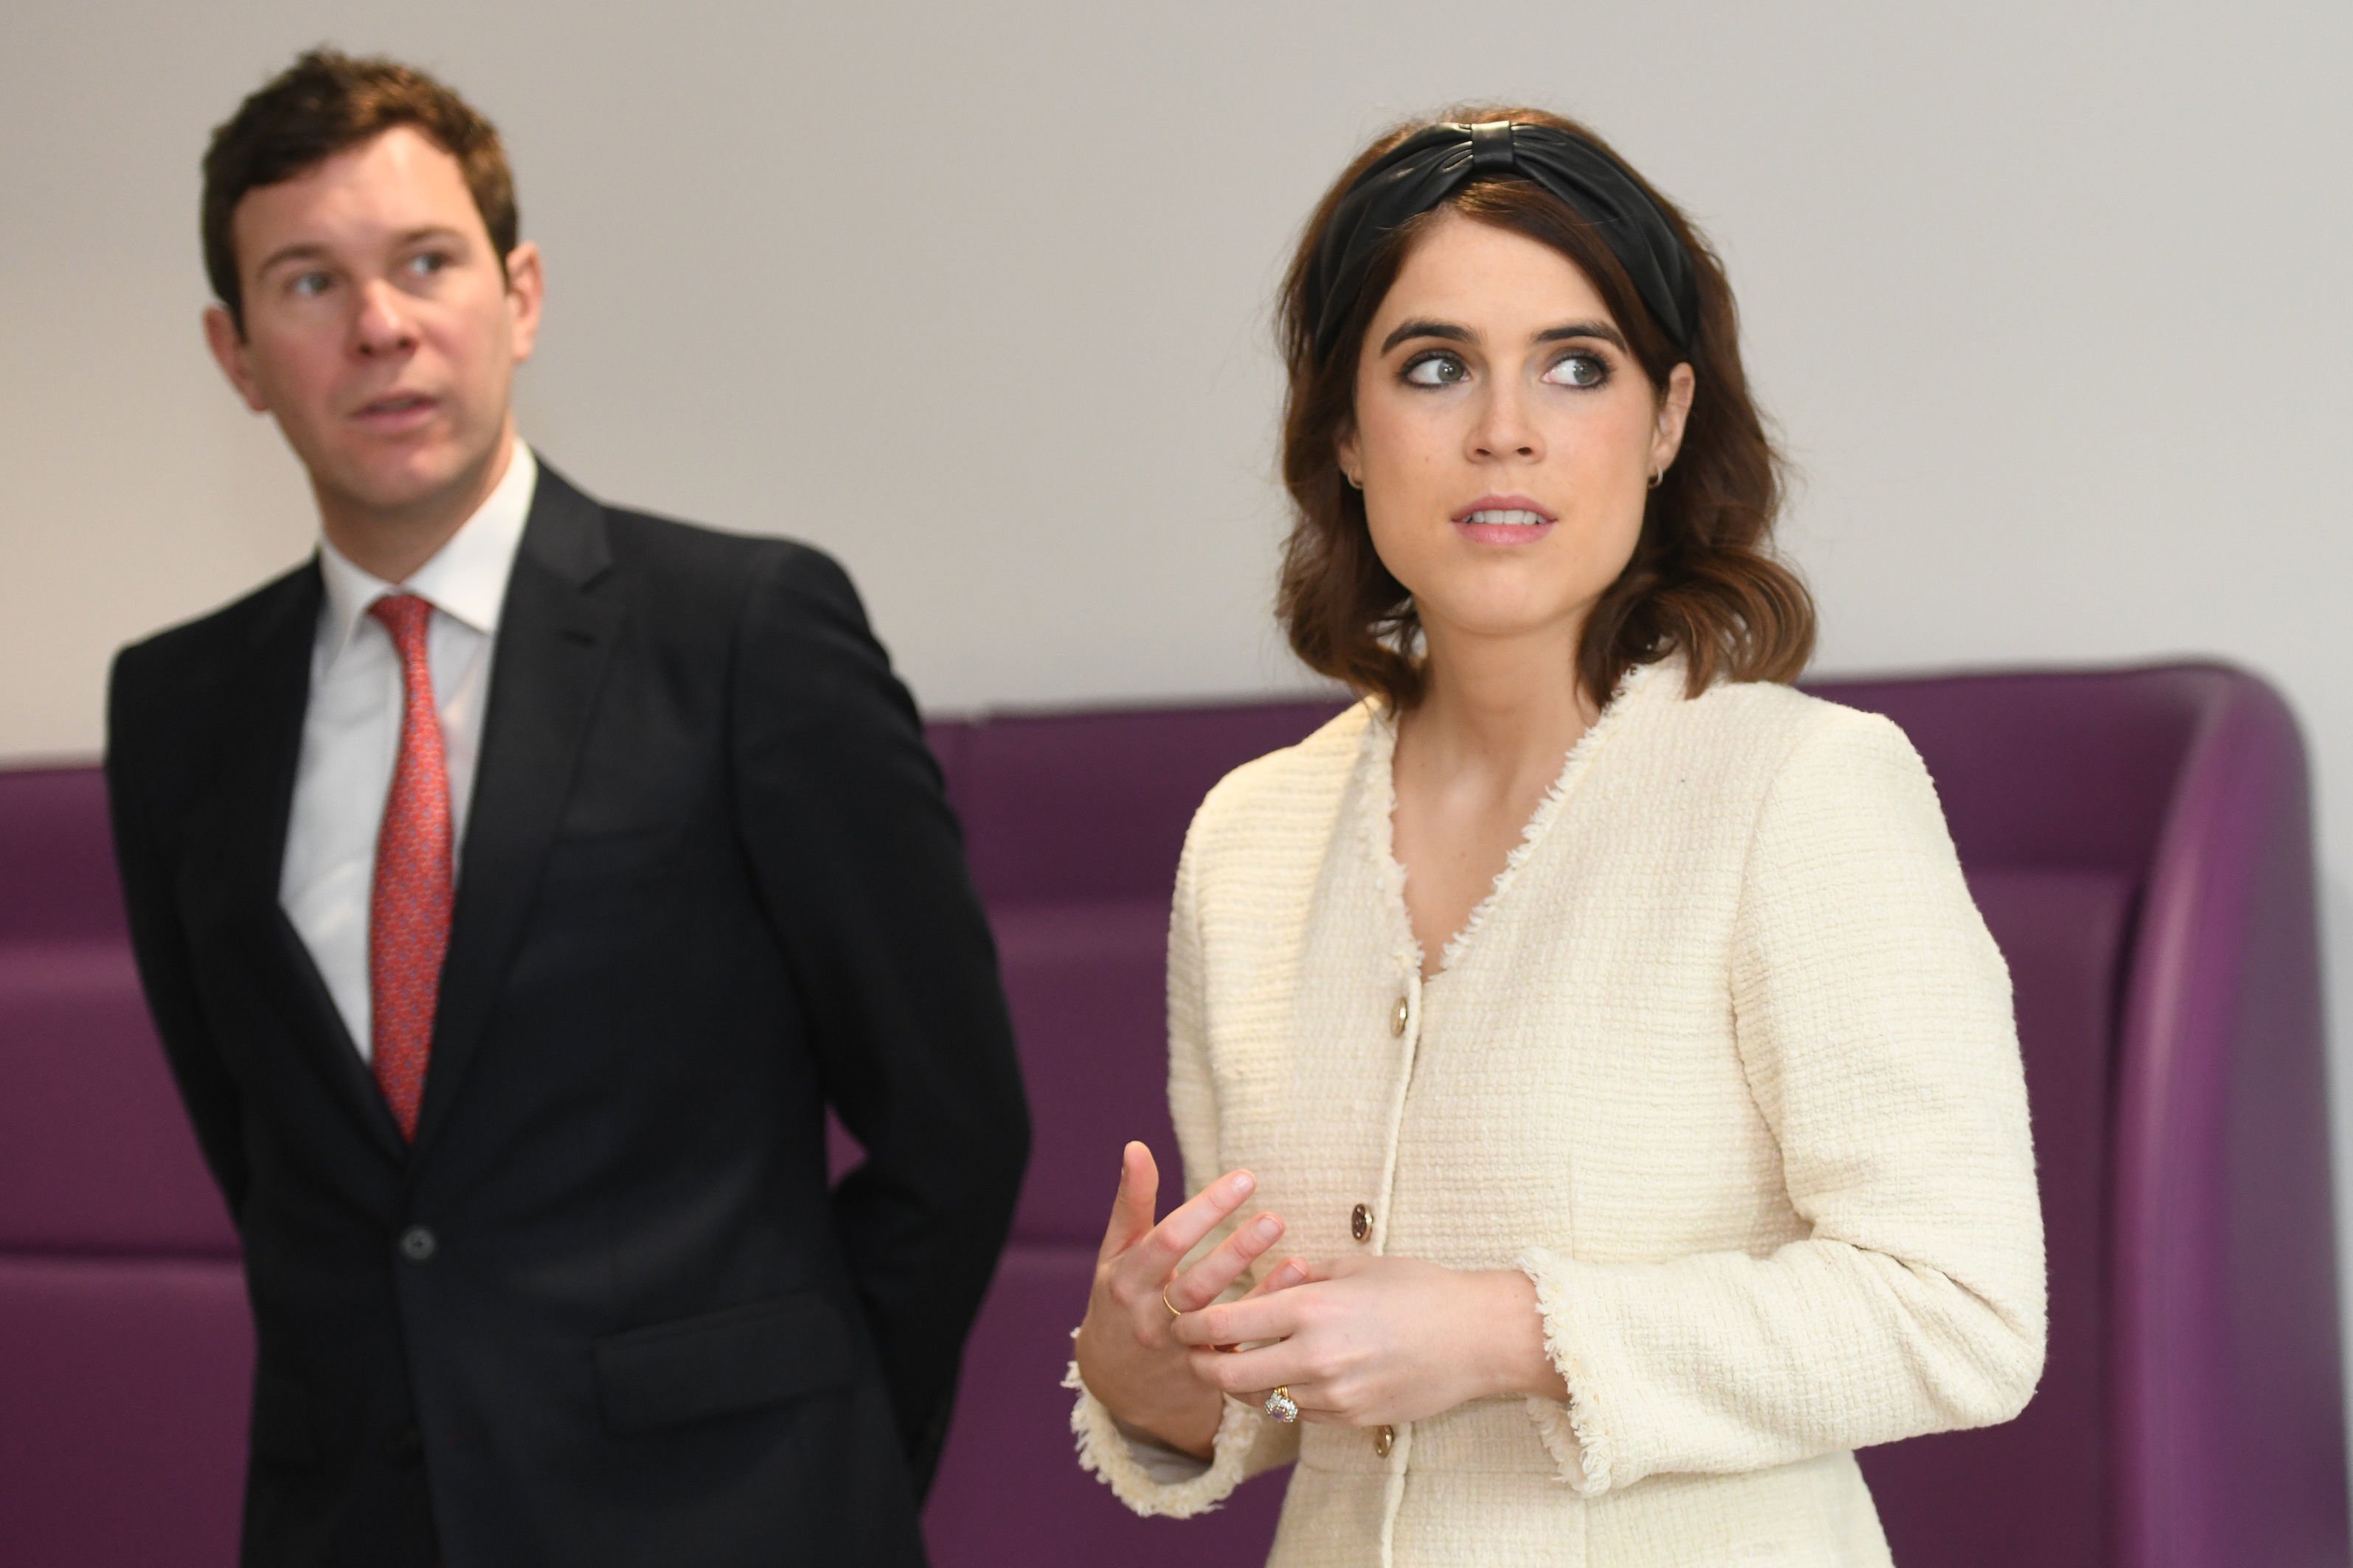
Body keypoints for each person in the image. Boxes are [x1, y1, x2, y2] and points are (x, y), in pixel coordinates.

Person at [1066, 108, 2045, 1564]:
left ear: (1662, 422)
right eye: (1434, 365)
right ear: (1342, 427)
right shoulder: (1248, 841)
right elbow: (1289, 1383)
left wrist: (1504, 1327)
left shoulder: (1802, 791)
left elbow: (1959, 1315)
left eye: (1573, 366)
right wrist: (1148, 1374)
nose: (1501, 429)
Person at [103, 48, 1028, 1568]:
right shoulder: (179, 708)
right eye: (307, 283)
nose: (380, 327)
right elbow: (274, 1170)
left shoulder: (745, 632)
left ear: (519, 295)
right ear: (237, 353)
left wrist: (819, 1451)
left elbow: (959, 1124)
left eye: (423, 262)